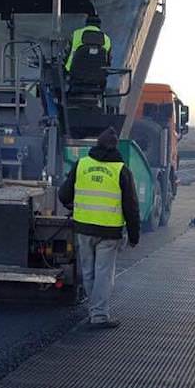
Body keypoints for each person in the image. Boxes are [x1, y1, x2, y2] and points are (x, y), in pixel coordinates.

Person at [58, 127, 140, 329]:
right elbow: (131, 206)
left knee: (88, 272)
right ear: (115, 147)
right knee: (103, 273)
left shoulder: (81, 164)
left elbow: (64, 195)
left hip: (83, 229)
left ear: (96, 144)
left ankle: (93, 310)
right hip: (109, 232)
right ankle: (99, 316)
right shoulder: (121, 170)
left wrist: (75, 206)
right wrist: (134, 235)